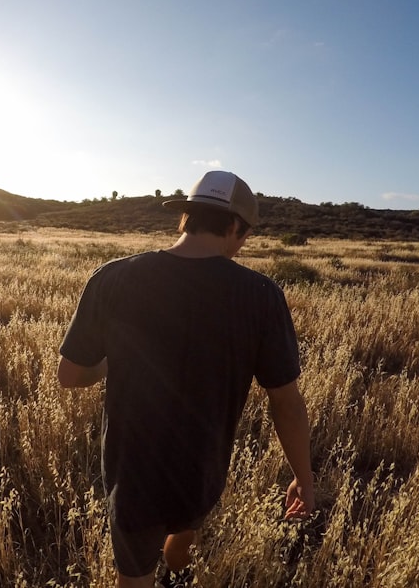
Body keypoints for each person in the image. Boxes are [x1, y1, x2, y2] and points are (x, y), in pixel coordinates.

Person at [57, 170, 315, 587]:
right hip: (203, 473)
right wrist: (303, 479)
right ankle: (177, 570)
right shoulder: (261, 296)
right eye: (244, 235)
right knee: (185, 528)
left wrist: (111, 363)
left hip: (133, 477)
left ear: (186, 218)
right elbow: (286, 401)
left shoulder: (114, 277)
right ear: (235, 227)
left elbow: (69, 375)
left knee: (133, 577)